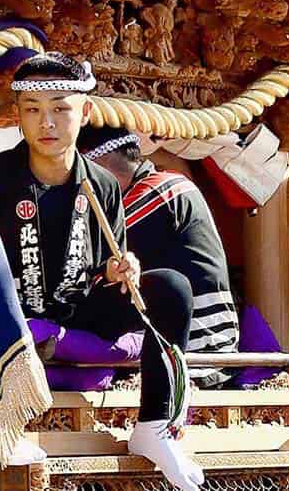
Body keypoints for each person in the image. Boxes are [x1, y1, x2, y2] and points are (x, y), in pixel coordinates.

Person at [0, 52, 202, 491]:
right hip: (11, 311)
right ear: (18, 116)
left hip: (77, 307)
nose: (47, 124)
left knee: (171, 287)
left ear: (86, 111)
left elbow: (100, 266)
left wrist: (118, 272)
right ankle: (1, 425)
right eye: (33, 111)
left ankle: (155, 424)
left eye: (60, 109)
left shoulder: (100, 184)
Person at [78, 125, 238, 380]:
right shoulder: (169, 183)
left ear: (99, 165)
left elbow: (83, 256)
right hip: (210, 344)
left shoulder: (158, 192)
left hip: (196, 350)